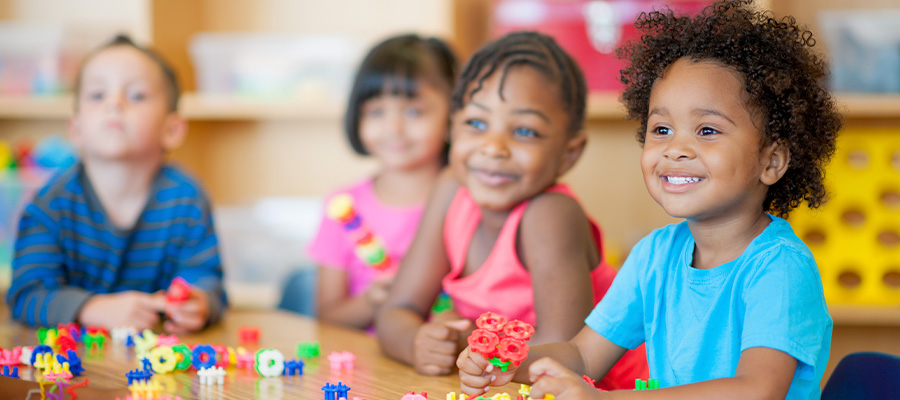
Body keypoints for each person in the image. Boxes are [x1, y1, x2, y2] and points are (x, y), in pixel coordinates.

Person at [457, 1, 841, 399]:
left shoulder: (779, 267)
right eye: (661, 129)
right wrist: (507, 364)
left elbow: (756, 390)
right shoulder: (655, 256)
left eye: (707, 130)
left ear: (772, 160)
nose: (675, 149)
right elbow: (584, 356)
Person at [376, 31, 647, 389]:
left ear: (569, 152)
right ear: (451, 128)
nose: (493, 148)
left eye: (524, 131)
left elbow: (561, 359)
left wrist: (466, 345)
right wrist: (418, 343)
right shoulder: (450, 190)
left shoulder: (551, 214)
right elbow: (396, 312)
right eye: (476, 123)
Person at [6, 35, 226, 333]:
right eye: (98, 95)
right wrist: (92, 309)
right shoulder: (50, 204)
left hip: (159, 365)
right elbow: (25, 295)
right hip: (69, 367)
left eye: (136, 95)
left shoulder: (186, 198)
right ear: (76, 128)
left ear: (172, 129)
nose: (114, 104)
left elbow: (208, 282)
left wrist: (199, 303)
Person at [304, 34, 457, 330]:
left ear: (452, 118)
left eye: (414, 111)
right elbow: (327, 318)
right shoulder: (344, 206)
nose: (393, 128)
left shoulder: (468, 204)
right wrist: (373, 301)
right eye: (376, 112)